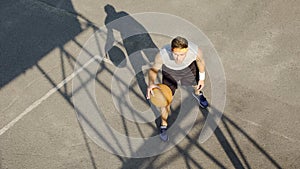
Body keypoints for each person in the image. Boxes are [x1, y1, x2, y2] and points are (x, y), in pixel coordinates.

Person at [146, 36, 208, 141]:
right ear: (171, 50)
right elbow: (153, 70)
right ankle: (163, 125)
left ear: (187, 51)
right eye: (175, 54)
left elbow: (200, 62)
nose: (178, 58)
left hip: (189, 68)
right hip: (170, 72)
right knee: (165, 100)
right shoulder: (162, 55)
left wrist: (202, 79)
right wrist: (151, 83)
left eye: (182, 55)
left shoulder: (195, 51)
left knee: (196, 85)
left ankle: (198, 94)